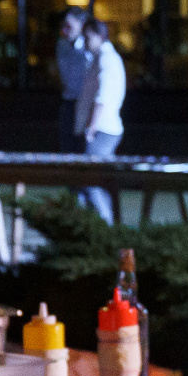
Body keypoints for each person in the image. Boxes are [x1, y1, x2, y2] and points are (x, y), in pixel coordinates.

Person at [74, 15, 128, 221]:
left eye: (88, 37)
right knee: (90, 181)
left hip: (101, 130)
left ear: (99, 36)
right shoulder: (101, 58)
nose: (85, 42)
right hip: (102, 129)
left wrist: (91, 127)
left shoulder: (106, 59)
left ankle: (106, 226)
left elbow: (102, 98)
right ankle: (95, 227)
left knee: (89, 181)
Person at [55, 5, 99, 147]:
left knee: (83, 144)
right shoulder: (62, 45)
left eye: (69, 26)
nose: (65, 30)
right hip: (68, 100)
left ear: (81, 25)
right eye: (64, 26)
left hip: (85, 102)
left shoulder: (89, 47)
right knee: (66, 144)